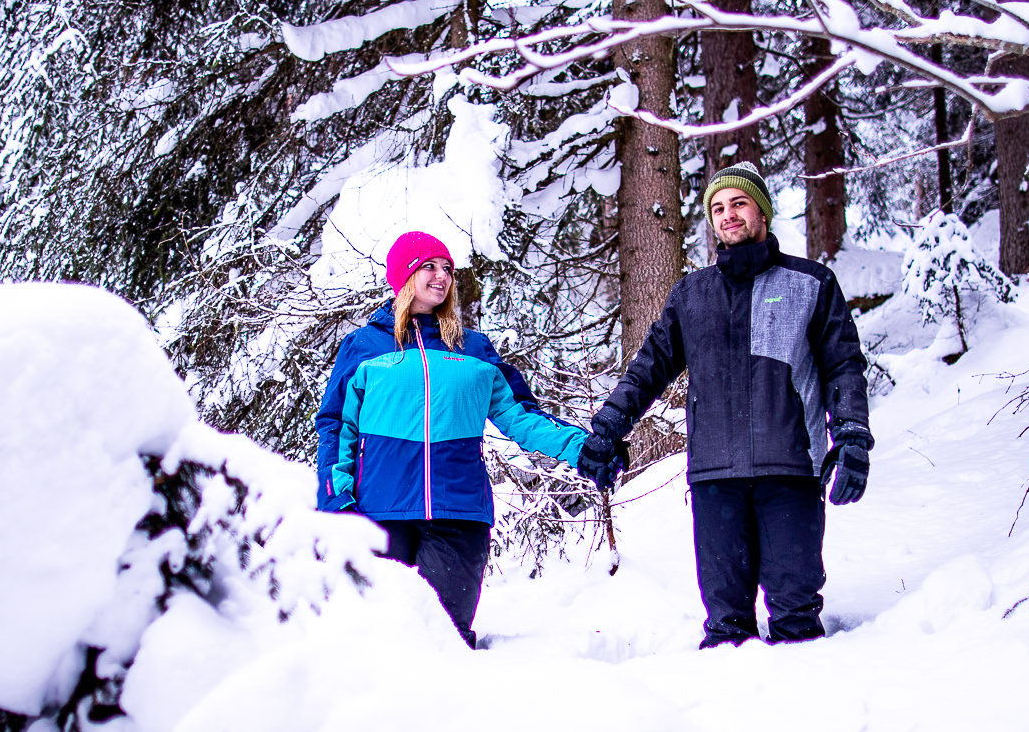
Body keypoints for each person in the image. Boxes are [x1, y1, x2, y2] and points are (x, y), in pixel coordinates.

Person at [576, 164, 872, 647]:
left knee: (796, 613)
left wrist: (853, 436)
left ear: (762, 211)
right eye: (717, 208)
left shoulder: (811, 283)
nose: (728, 214)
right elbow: (648, 368)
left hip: (791, 470)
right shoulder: (692, 294)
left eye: (738, 203)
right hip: (715, 477)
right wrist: (608, 427)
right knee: (726, 622)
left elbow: (843, 366)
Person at [316, 231, 589, 646]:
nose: (441, 276)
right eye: (429, 266)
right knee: (378, 642)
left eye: (447, 268)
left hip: (458, 516)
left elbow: (521, 417)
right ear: (404, 276)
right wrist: (335, 500)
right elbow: (337, 427)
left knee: (447, 642)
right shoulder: (365, 346)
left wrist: (584, 449)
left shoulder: (473, 349)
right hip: (379, 514)